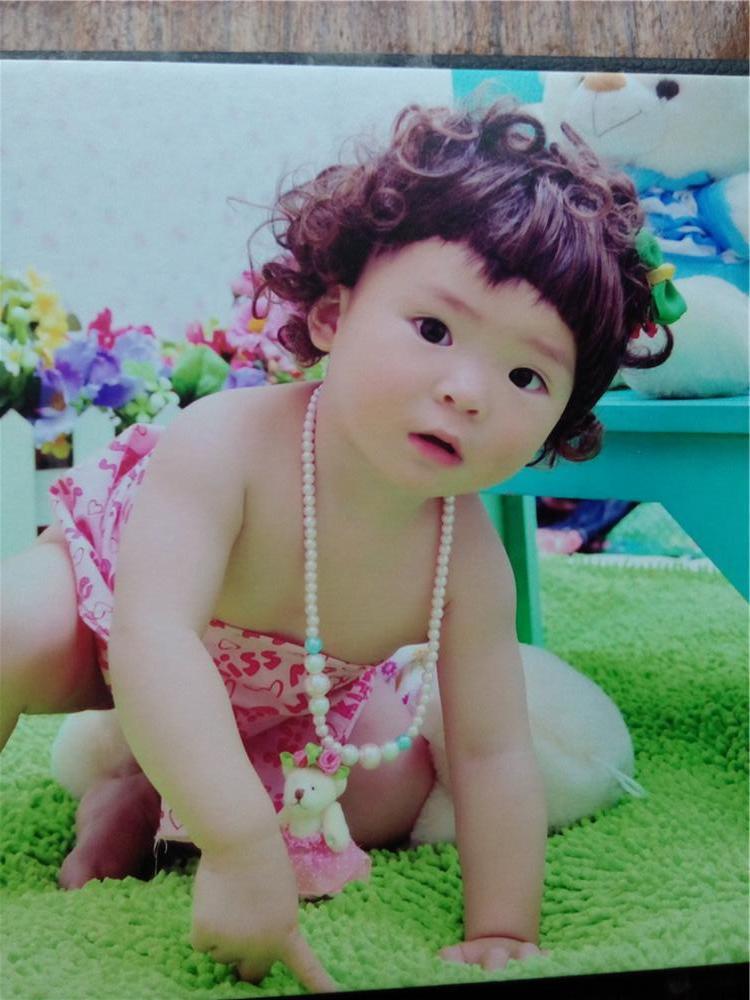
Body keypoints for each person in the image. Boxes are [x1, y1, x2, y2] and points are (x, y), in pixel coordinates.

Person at [0, 100, 669, 991]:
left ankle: (143, 794)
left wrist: (503, 926)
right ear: (331, 314)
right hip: (115, 628)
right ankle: (161, 779)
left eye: (525, 374)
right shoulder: (226, 445)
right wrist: (240, 845)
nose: (468, 391)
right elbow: (152, 638)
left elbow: (490, 752)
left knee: (391, 792)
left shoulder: (465, 557)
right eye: (433, 330)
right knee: (10, 625)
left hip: (295, 699)